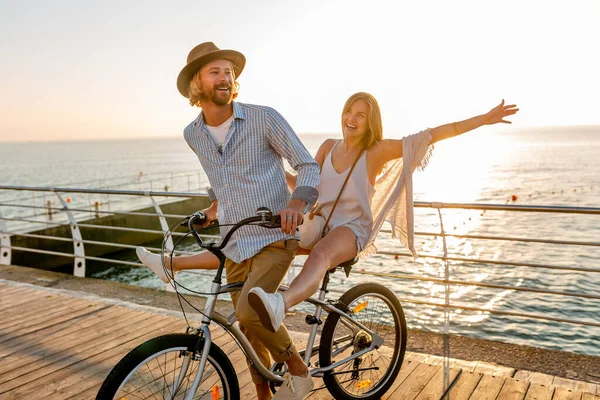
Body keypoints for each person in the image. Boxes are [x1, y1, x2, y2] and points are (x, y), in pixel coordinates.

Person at [139, 41, 321, 400]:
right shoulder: (193, 134)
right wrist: (211, 211)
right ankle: (264, 396)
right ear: (197, 84)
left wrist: (297, 202)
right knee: (249, 330)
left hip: (275, 234)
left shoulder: (263, 117)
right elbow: (224, 181)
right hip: (235, 240)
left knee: (251, 313)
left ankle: (299, 371)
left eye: (229, 72)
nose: (225, 77)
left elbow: (307, 165)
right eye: (215, 71)